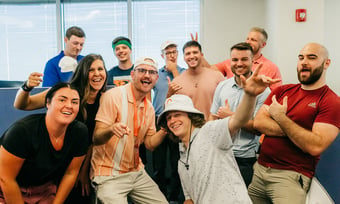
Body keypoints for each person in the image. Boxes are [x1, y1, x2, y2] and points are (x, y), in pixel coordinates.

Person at [157, 64, 280, 203]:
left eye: (177, 114)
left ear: (191, 116)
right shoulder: (182, 159)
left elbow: (239, 119)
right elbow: (190, 198)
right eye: (168, 118)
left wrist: (250, 95)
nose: (173, 120)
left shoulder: (210, 132)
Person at [248, 42, 340, 204]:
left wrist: (281, 118)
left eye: (312, 57)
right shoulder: (282, 91)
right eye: (301, 57)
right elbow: (259, 123)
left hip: (290, 177)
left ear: (327, 63)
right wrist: (299, 132)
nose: (304, 62)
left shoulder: (330, 101)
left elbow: (315, 146)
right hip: (260, 171)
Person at [13, 54, 108, 204]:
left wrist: (83, 171)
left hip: (81, 163)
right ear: (83, 72)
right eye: (91, 70)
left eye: (100, 69)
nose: (97, 74)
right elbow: (22, 104)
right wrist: (26, 87)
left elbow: (93, 140)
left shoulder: (105, 99)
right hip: (55, 161)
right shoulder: (67, 92)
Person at [91, 57, 168, 203]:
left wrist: (164, 129)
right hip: (109, 174)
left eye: (152, 72)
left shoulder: (149, 108)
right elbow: (96, 137)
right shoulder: (113, 96)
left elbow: (150, 144)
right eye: (142, 71)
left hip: (136, 172)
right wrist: (111, 129)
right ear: (132, 75)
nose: (147, 75)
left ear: (156, 78)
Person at [0, 82, 89, 204]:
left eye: (74, 102)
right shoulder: (22, 131)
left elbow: (71, 173)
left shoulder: (79, 132)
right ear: (48, 103)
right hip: (6, 188)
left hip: (43, 190)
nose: (69, 105)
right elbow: (6, 179)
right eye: (62, 100)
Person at [210, 42, 271, 187]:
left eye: (244, 59)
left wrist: (231, 116)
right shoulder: (222, 86)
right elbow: (212, 117)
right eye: (235, 60)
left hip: (244, 159)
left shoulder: (263, 91)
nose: (239, 63)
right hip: (220, 154)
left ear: (252, 61)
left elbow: (257, 128)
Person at [152, 40, 186, 203]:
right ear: (162, 55)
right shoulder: (156, 75)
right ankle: (159, 196)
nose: (171, 55)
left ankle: (174, 197)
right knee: (158, 164)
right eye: (168, 52)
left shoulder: (183, 72)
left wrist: (174, 71)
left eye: (174, 51)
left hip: (177, 121)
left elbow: (185, 89)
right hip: (159, 121)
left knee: (175, 162)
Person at [208, 27, 282, 90]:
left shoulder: (272, 68)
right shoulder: (232, 63)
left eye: (253, 40)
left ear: (263, 45)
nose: (248, 42)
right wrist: (197, 52)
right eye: (248, 39)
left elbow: (277, 95)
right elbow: (207, 70)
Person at [168, 40, 224, 119]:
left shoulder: (217, 77)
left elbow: (225, 104)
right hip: (189, 129)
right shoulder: (177, 82)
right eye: (188, 54)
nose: (191, 56)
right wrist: (169, 94)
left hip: (213, 127)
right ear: (184, 58)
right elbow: (170, 110)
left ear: (201, 55)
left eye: (195, 52)